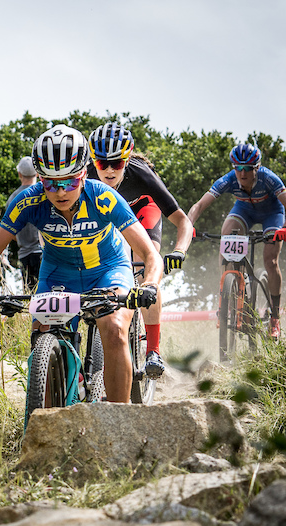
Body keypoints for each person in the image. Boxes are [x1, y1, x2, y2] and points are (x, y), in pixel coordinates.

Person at [0, 124, 162, 403]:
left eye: (69, 181)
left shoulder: (104, 197)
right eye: (50, 183)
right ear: (40, 180)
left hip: (108, 269)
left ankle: (120, 419)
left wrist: (149, 285)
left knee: (115, 329)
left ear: (83, 174)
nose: (60, 192)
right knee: (41, 333)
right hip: (58, 272)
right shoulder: (28, 201)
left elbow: (150, 255)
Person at [87, 122, 195, 378]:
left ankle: (153, 350)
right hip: (107, 214)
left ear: (127, 160)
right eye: (102, 164)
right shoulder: (86, 174)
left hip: (142, 211)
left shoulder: (141, 174)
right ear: (93, 161)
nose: (110, 170)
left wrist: (179, 250)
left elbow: (183, 221)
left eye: (118, 163)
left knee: (146, 266)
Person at [187, 143, 286, 340]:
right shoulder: (229, 180)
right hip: (244, 211)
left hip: (272, 214)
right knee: (226, 236)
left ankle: (275, 317)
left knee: (270, 261)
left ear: (256, 168)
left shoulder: (268, 178)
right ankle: (228, 300)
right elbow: (199, 205)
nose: (242, 173)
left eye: (247, 168)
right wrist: (188, 226)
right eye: (237, 168)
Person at [0, 156, 43, 291]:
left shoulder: (13, 198)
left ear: (20, 174)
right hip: (44, 253)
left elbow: (9, 231)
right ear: (37, 173)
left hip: (24, 255)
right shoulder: (44, 193)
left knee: (30, 293)